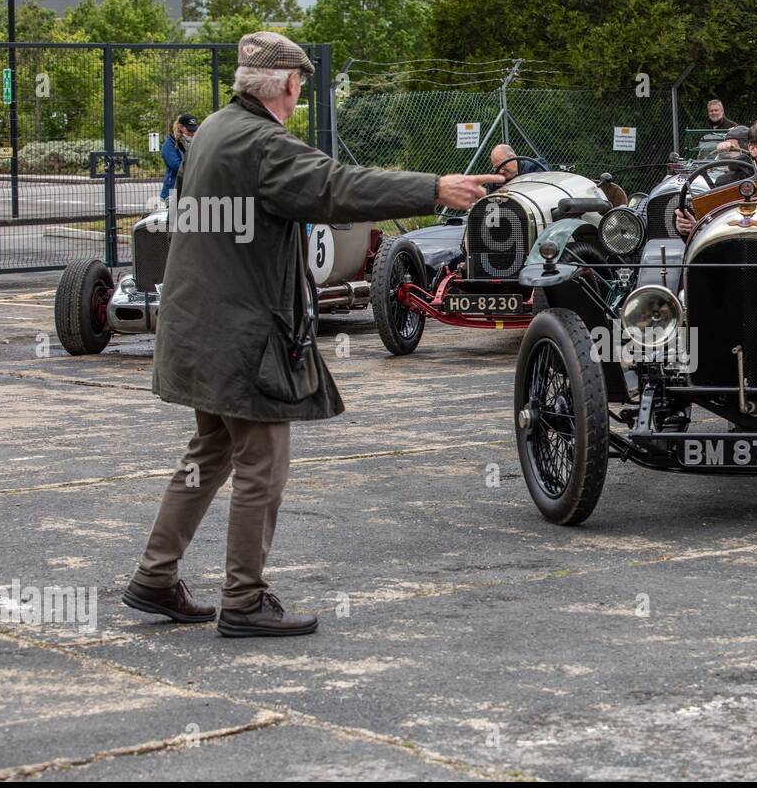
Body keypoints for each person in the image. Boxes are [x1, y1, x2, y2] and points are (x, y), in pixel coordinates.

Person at [123, 32, 504, 638]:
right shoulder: (262, 144)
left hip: (198, 328)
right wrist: (433, 189)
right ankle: (244, 600)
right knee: (261, 468)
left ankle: (155, 577)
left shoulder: (217, 130)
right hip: (242, 337)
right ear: (291, 86)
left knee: (209, 455)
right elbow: (336, 189)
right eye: (301, 87)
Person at [160, 113, 198, 202]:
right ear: (180, 127)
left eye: (194, 130)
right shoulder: (169, 144)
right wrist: (197, 166)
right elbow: (175, 165)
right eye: (189, 130)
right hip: (173, 189)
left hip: (191, 189)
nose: (192, 133)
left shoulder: (196, 143)